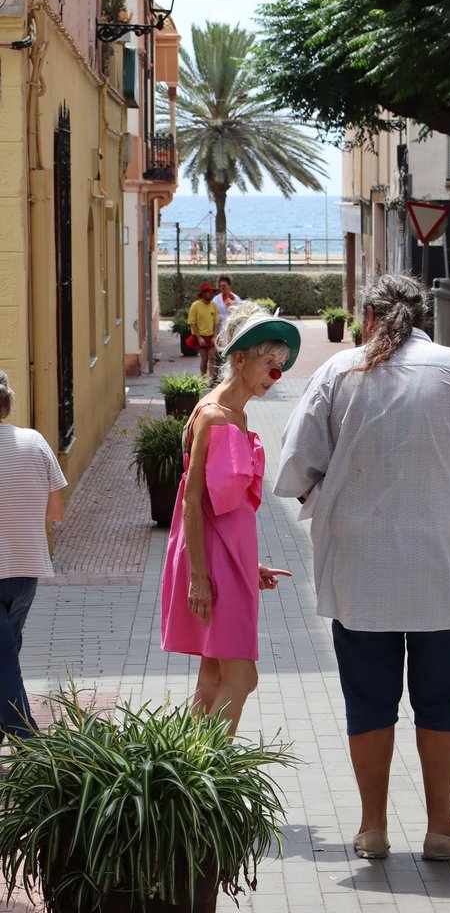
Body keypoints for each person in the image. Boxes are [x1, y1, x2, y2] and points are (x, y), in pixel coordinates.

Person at [274, 274, 450, 862]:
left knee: (368, 700)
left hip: (361, 567)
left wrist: (329, 496)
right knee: (443, 699)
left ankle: (372, 828)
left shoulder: (341, 371)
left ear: (369, 317)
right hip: (446, 564)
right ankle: (441, 826)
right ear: (420, 316)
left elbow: (297, 465)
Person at [160, 302, 300, 735]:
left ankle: (186, 769)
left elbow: (224, 506)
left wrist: (247, 564)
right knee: (241, 677)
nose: (275, 374)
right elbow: (192, 501)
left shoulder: (237, 413)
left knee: (214, 674)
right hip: (211, 563)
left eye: (280, 365)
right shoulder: (214, 415)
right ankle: (211, 768)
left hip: (227, 560)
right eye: (268, 363)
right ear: (239, 359)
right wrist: (200, 578)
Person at [0, 371, 66, 743]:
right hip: (25, 569)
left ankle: (33, 747)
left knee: (4, 660)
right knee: (7, 654)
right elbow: (55, 511)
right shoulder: (34, 441)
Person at [186, 282, 219, 379]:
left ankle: (212, 380)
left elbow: (215, 322)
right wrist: (199, 338)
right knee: (204, 359)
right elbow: (192, 322)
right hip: (200, 336)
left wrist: (214, 336)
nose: (212, 294)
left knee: (212, 358)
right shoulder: (195, 305)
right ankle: (203, 379)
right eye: (209, 292)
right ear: (203, 293)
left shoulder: (214, 305)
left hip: (211, 336)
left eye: (212, 292)